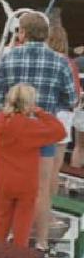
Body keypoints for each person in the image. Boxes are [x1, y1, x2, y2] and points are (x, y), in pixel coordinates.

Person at [0, 11, 76, 254]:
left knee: (7, 191)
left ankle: (5, 239)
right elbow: (71, 99)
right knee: (40, 190)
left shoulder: (9, 58)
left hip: (12, 132)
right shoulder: (60, 61)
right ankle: (39, 241)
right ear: (46, 34)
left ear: (22, 32)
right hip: (41, 133)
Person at [0, 84, 66, 249]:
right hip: (26, 181)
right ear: (30, 103)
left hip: (3, 179)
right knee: (23, 223)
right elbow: (60, 132)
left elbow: (2, 115)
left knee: (1, 219)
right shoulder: (33, 127)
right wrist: (40, 112)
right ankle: (18, 257)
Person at [47, 23, 81, 195]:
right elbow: (74, 95)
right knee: (53, 168)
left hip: (38, 113)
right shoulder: (67, 63)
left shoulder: (39, 59)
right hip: (61, 115)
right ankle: (48, 215)